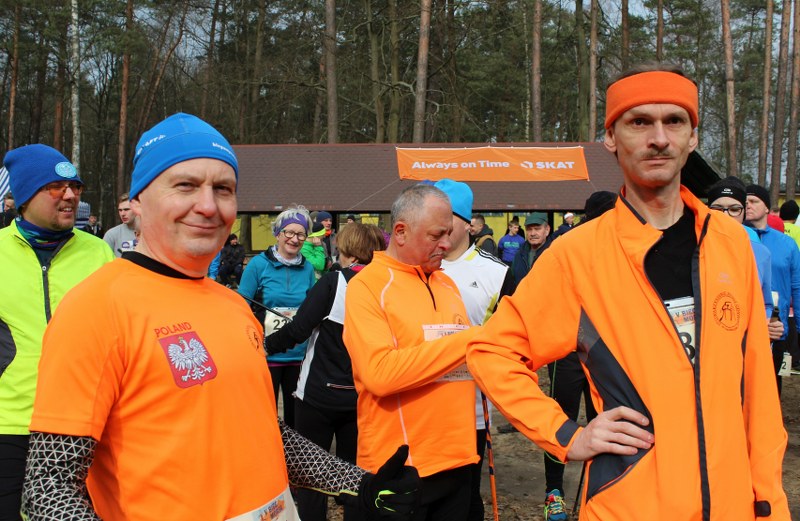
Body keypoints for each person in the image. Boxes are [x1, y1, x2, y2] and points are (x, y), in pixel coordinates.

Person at [23, 113, 420, 521]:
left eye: (223, 189)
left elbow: (265, 433)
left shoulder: (233, 306)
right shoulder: (94, 308)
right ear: (138, 200)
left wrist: (359, 484)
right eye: (185, 185)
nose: (208, 206)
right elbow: (48, 488)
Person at [466, 63, 790, 520]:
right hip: (628, 504)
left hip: (733, 505)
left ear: (692, 137)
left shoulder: (732, 243)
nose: (659, 138)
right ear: (611, 138)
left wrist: (770, 504)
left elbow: (759, 394)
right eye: (639, 122)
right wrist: (568, 434)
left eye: (674, 121)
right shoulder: (577, 255)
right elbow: (491, 351)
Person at [343, 183, 480, 521]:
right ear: (401, 232)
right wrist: (468, 341)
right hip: (401, 469)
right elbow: (380, 374)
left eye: (449, 233)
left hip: (459, 459)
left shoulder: (446, 283)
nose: (446, 244)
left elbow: (463, 361)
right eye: (436, 235)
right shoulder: (367, 286)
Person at [0, 144, 113, 521]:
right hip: (10, 421)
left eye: (75, 186)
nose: (70, 195)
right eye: (55, 186)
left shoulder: (99, 253)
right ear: (24, 196)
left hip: (84, 424)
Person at [265, 222, 386, 521]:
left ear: (349, 250)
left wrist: (265, 346)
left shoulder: (335, 282)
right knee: (356, 473)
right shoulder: (387, 285)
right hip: (363, 394)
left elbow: (298, 329)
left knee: (311, 476)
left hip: (317, 396)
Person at [435, 179, 515, 521]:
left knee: (463, 495)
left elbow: (514, 339)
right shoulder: (414, 266)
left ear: (468, 223)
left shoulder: (496, 273)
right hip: (418, 401)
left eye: (446, 217)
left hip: (470, 407)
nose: (438, 225)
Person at [238, 206, 316, 428]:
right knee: (264, 416)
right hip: (265, 354)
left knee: (295, 420)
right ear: (278, 233)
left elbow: (312, 309)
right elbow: (240, 306)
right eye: (289, 232)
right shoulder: (258, 265)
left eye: (300, 234)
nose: (294, 239)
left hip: (298, 355)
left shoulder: (308, 268)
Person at [745, 183, 800, 397]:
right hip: (743, 327)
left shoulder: (786, 244)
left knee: (771, 389)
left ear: (767, 207)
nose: (748, 205)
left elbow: (796, 285)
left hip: (775, 328)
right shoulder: (735, 238)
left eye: (754, 201)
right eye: (745, 202)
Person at [510, 212, 551, 287]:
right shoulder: (519, 255)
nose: (532, 233)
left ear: (547, 230)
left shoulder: (554, 254)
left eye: (537, 229)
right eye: (529, 229)